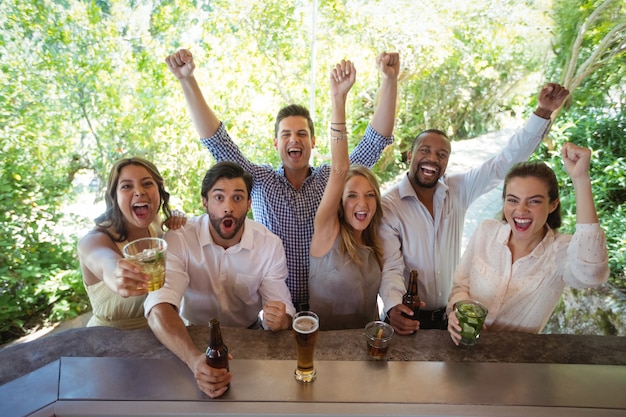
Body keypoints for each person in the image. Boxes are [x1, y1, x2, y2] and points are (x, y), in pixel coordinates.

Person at [165, 49, 398, 310]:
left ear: (313, 141)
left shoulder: (330, 179)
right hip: (277, 306)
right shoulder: (261, 181)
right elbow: (219, 143)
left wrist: (390, 79)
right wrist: (187, 79)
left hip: (328, 303)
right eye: (286, 134)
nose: (294, 139)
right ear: (276, 143)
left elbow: (374, 142)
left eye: (301, 133)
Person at [379, 83, 570, 334]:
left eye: (442, 154)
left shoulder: (458, 189)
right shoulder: (389, 205)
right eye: (425, 150)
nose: (433, 159)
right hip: (407, 316)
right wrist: (393, 307)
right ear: (409, 155)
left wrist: (543, 112)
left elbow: (503, 163)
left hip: (450, 317)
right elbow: (390, 265)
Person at [144, 161, 295, 398]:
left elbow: (283, 309)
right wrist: (194, 360)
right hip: (188, 336)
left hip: (249, 335)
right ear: (204, 202)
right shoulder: (180, 238)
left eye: (237, 198)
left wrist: (281, 320)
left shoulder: (269, 244)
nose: (228, 207)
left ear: (248, 204)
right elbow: (158, 307)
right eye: (218, 197)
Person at [447, 143, 609, 342]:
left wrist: (581, 180)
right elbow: (460, 285)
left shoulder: (561, 251)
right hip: (462, 348)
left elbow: (591, 275)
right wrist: (458, 310)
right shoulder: (486, 231)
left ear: (552, 205)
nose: (521, 210)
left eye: (534, 201)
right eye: (513, 200)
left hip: (517, 365)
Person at [308, 59, 388, 330]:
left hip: (367, 352)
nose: (362, 203)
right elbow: (340, 168)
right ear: (340, 203)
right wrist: (338, 98)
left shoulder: (374, 241)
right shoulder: (326, 233)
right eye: (352, 195)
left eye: (369, 195)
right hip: (325, 354)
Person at [77, 157, 186, 329]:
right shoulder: (93, 241)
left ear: (159, 190)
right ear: (115, 196)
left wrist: (178, 218)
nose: (139, 192)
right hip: (107, 342)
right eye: (127, 186)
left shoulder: (156, 227)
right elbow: (105, 262)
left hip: (160, 333)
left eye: (147, 184)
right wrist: (117, 274)